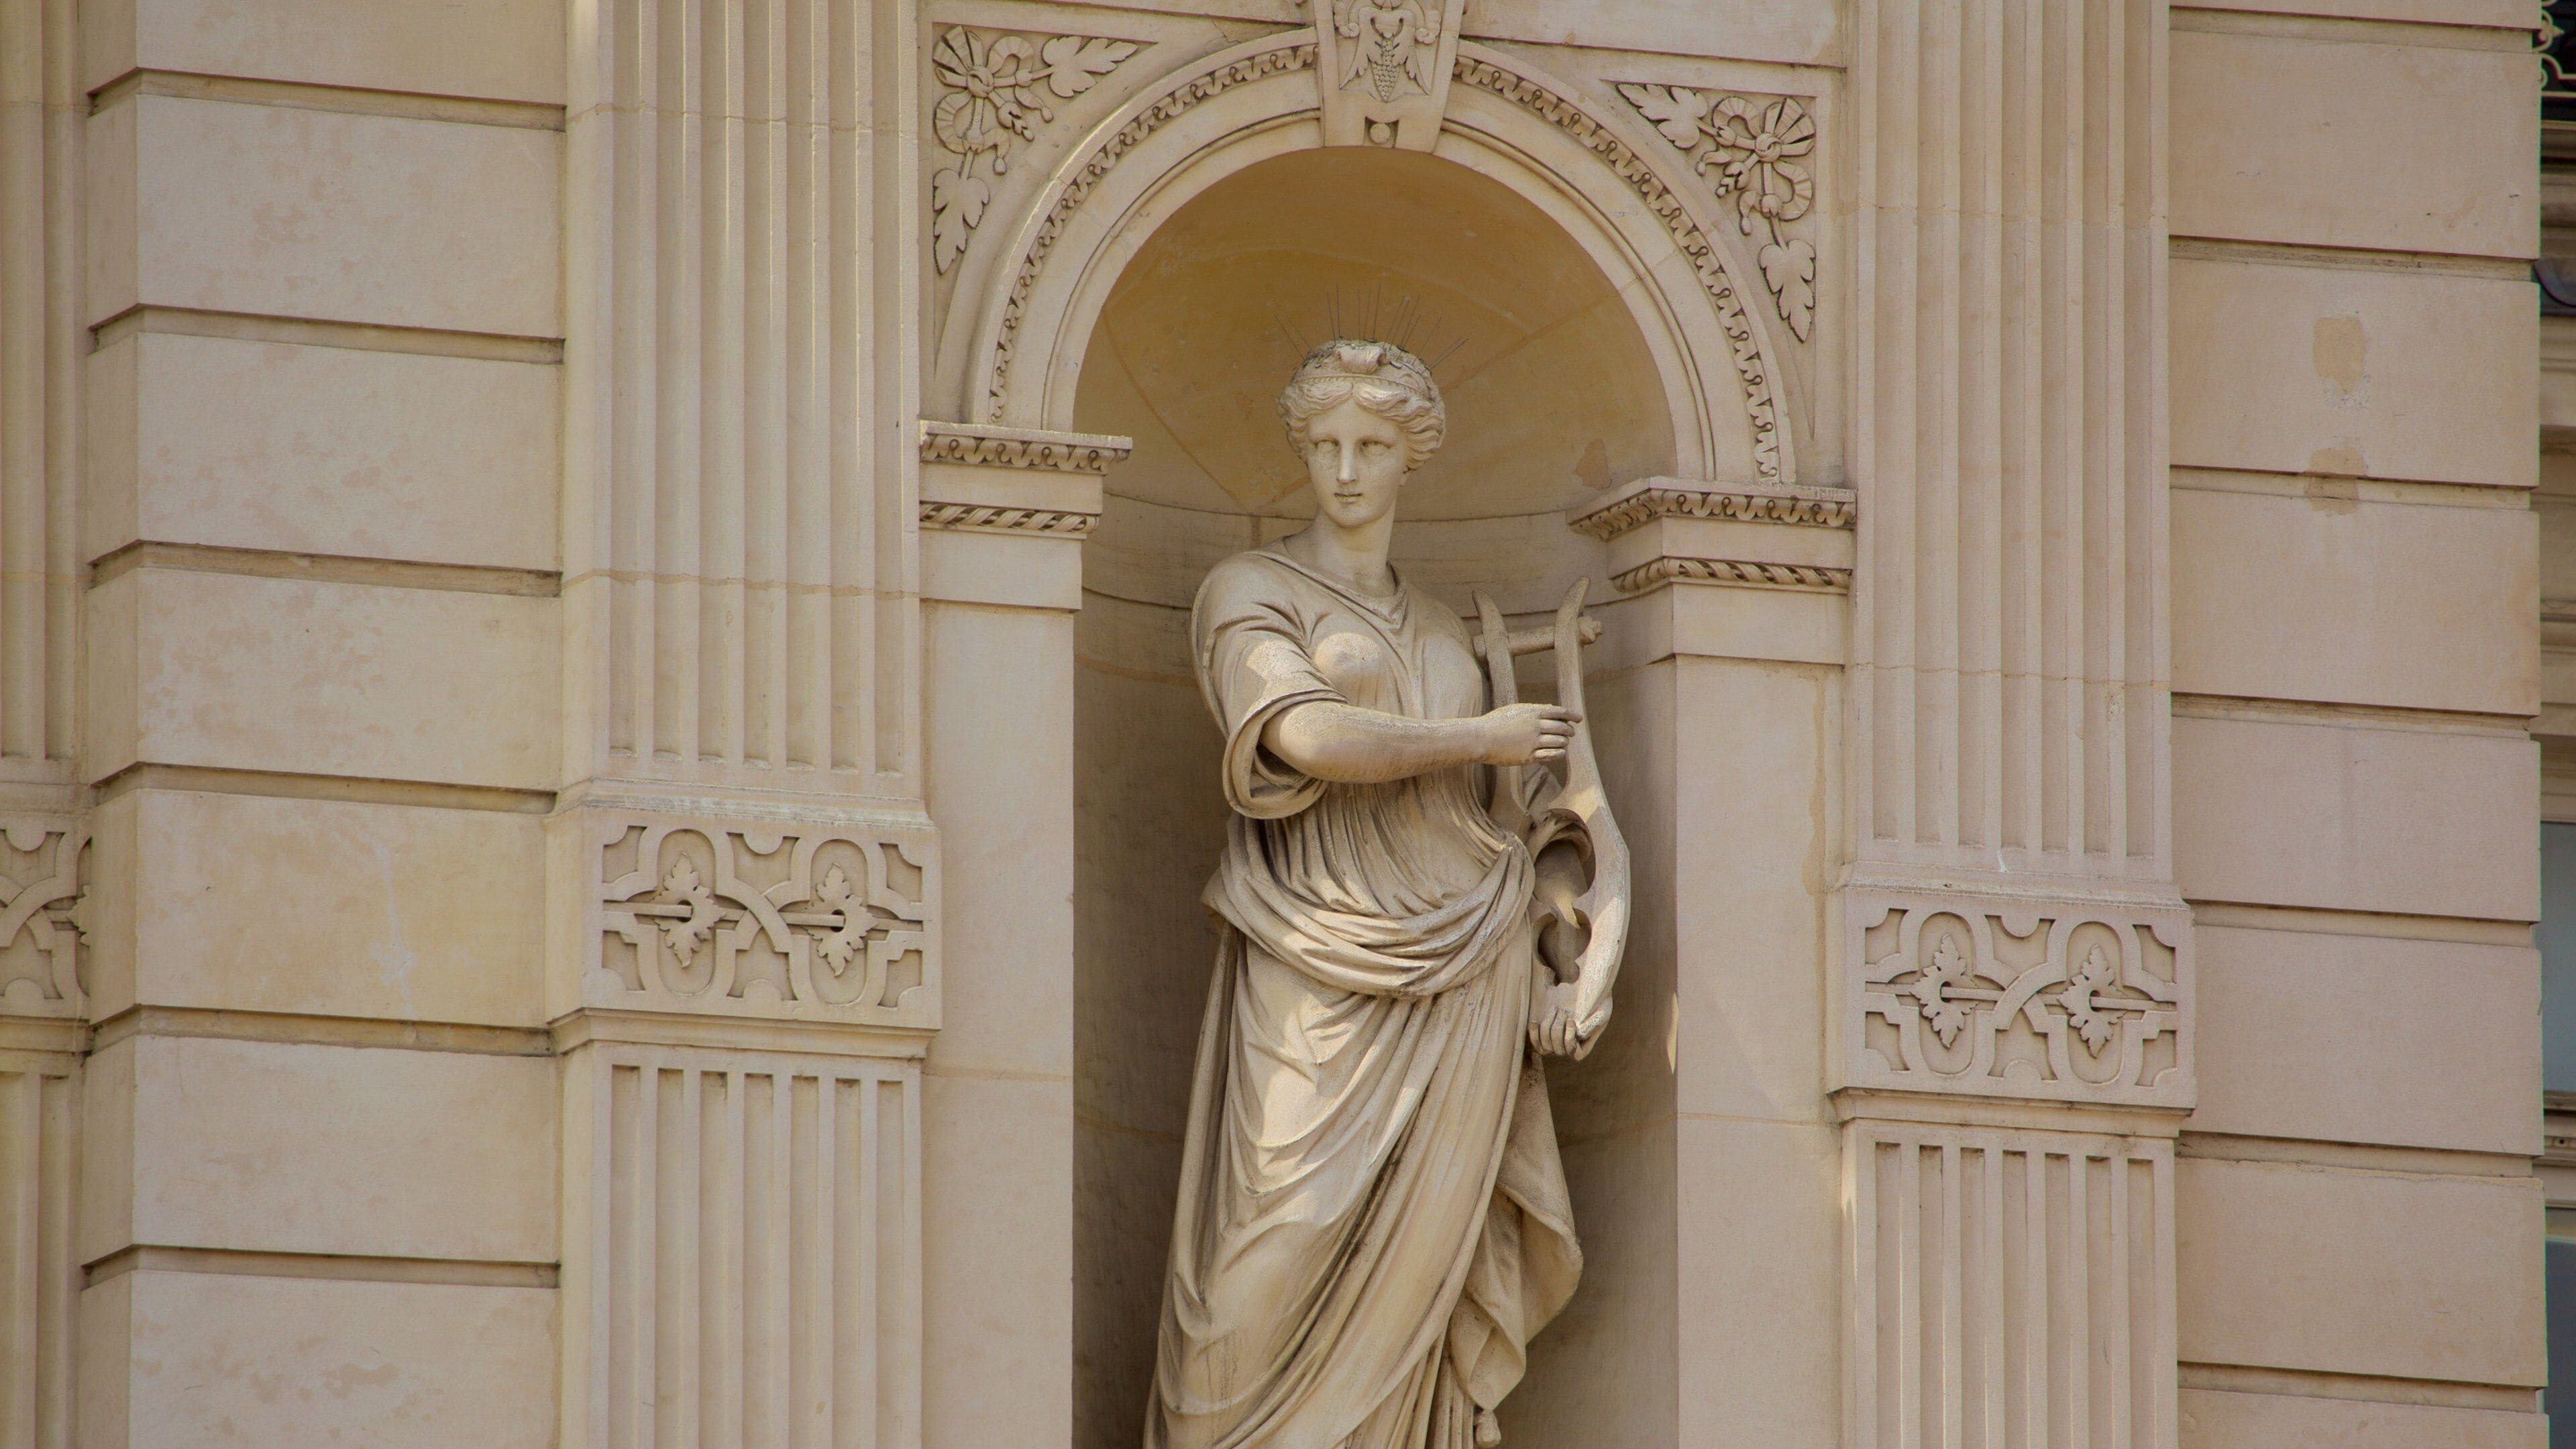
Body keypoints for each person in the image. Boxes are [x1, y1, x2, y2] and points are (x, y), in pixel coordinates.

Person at [1144, 337, 1610, 1449]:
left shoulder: (1452, 631)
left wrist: (1565, 926)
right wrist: (1475, 731)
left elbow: (1539, 815)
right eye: (1325, 446)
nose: (1346, 470)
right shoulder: (1248, 591)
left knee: (1422, 1279)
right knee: (1268, 1250)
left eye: (1372, 446)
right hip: (1311, 955)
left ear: (1413, 460)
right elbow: (1298, 730)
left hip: (1468, 970)